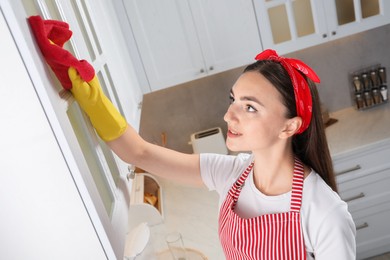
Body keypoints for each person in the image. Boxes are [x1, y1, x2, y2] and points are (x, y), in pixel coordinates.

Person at [68, 49, 356, 259]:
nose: (229, 115)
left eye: (250, 107)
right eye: (234, 100)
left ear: (289, 126)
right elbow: (139, 152)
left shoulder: (325, 213)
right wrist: (87, 92)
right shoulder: (231, 174)